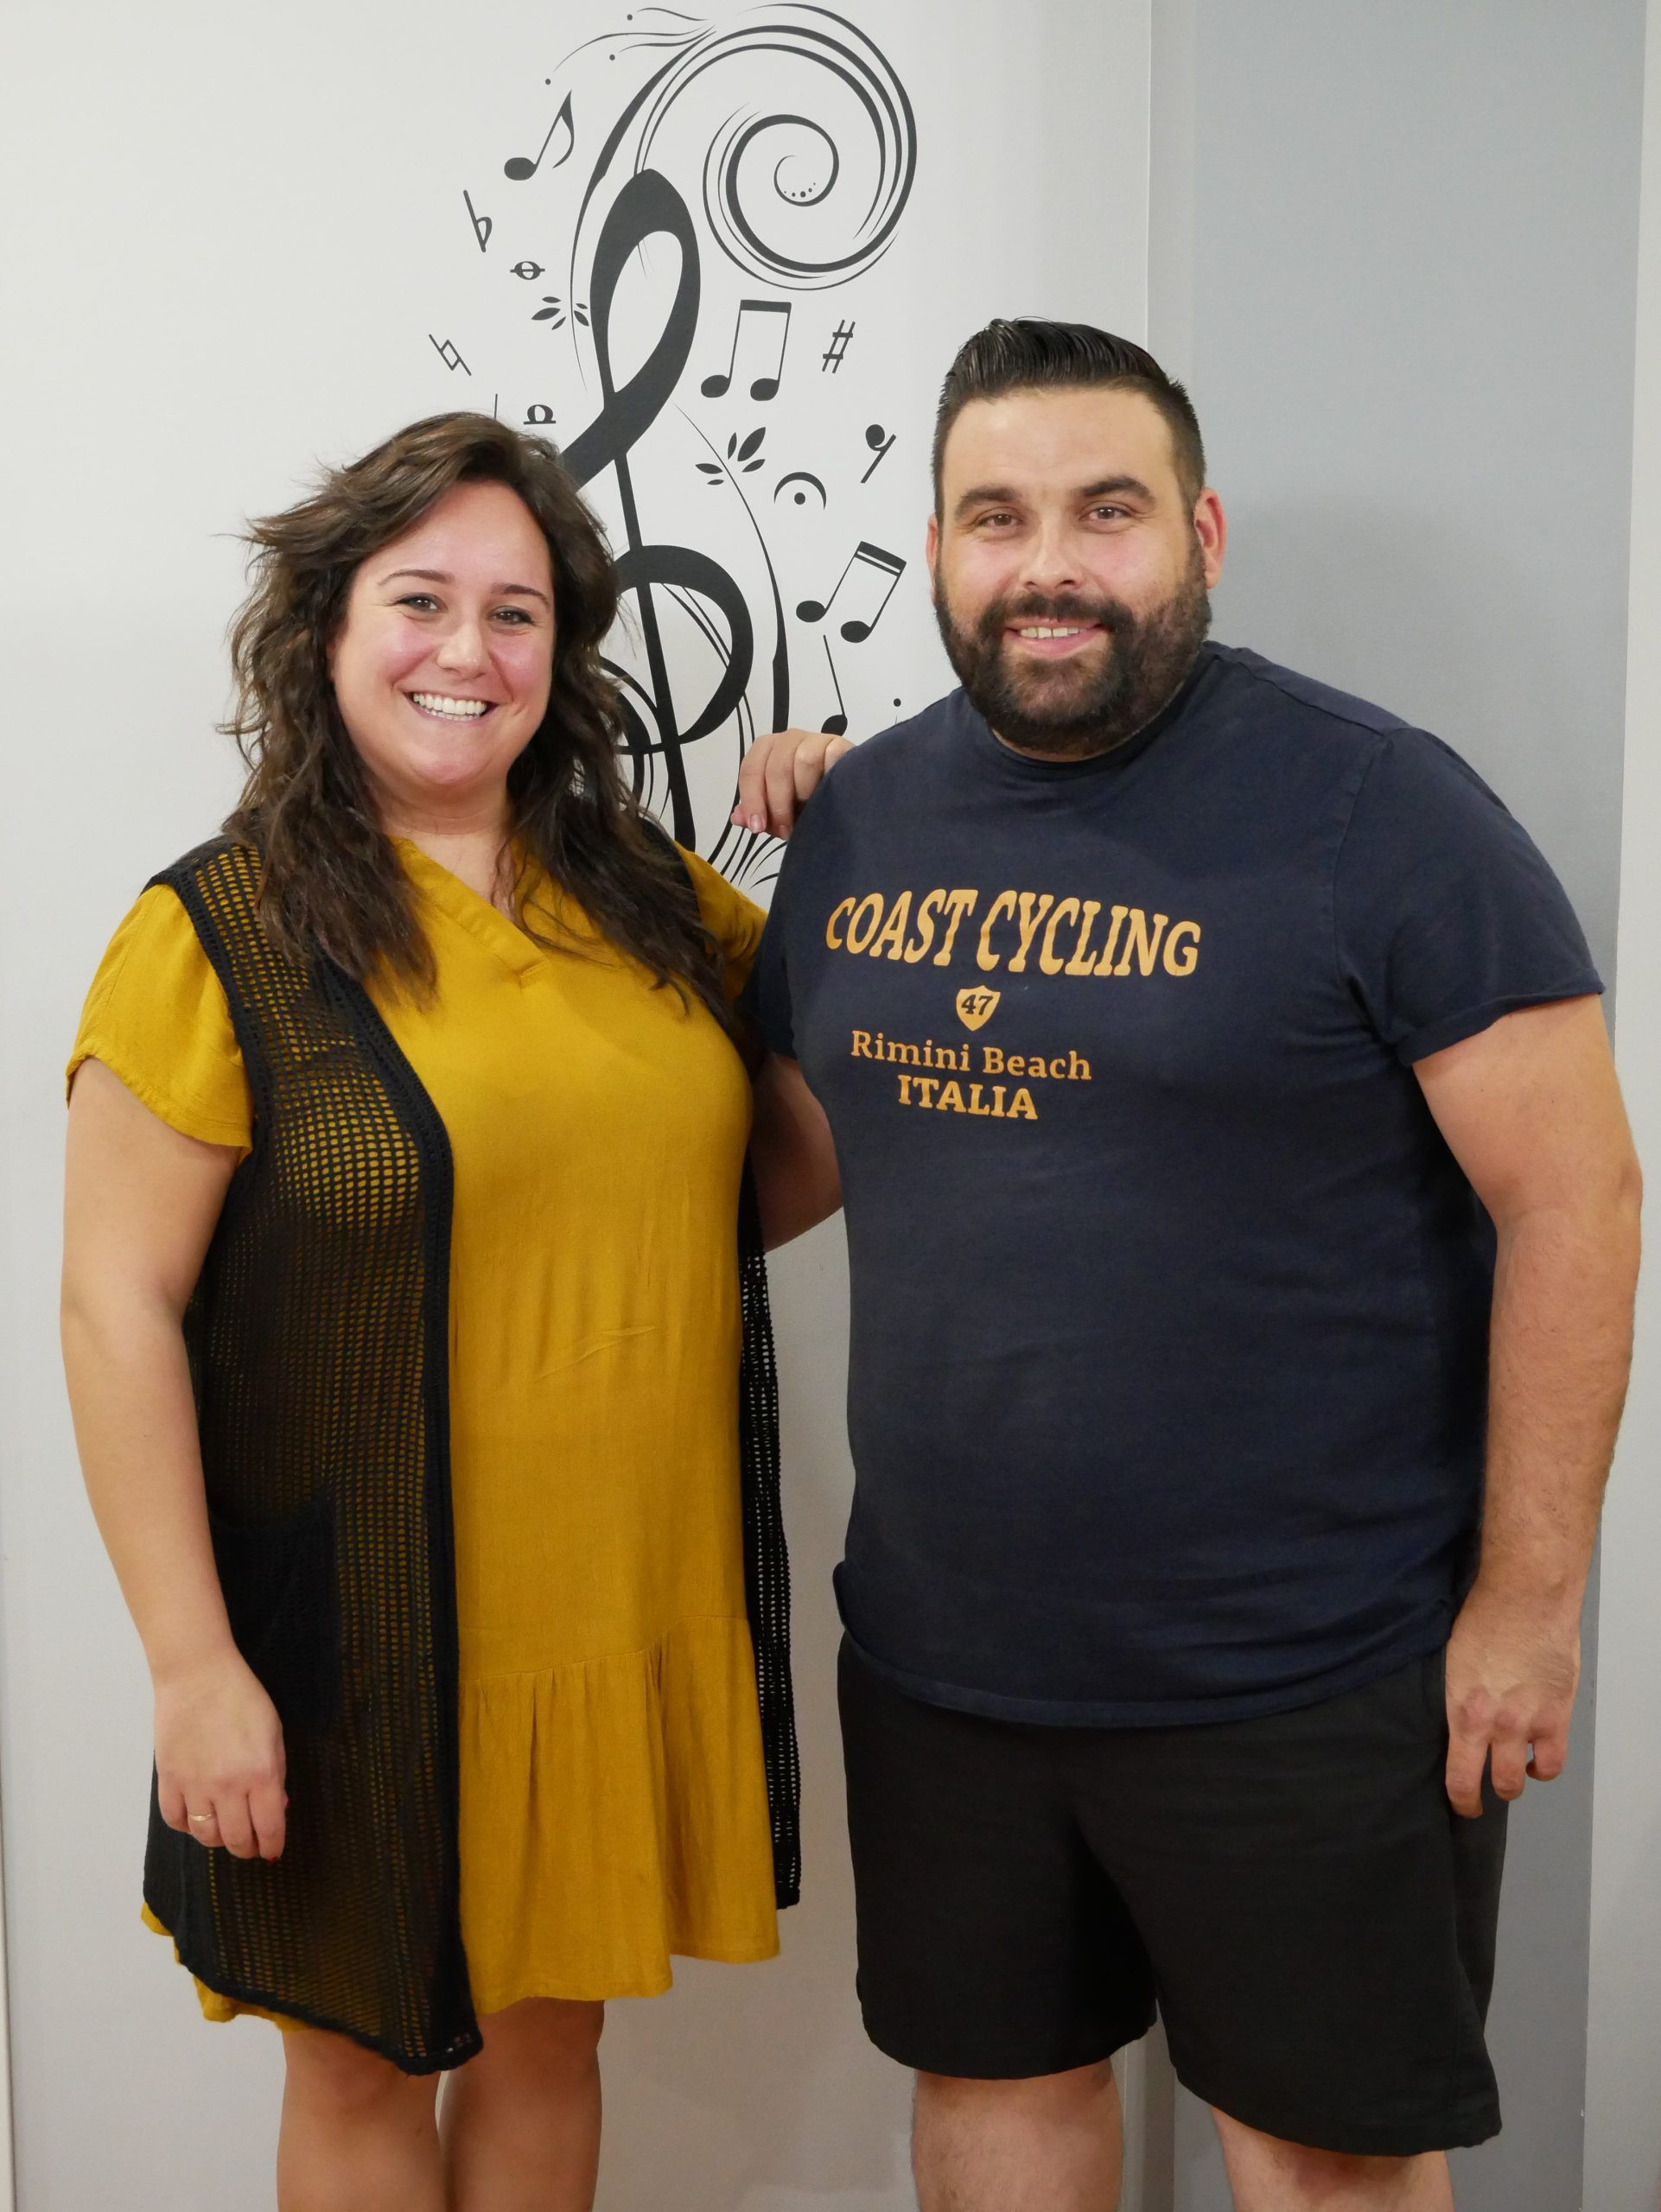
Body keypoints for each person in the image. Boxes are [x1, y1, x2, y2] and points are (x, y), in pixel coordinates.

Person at [738, 321, 1640, 2212]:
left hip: (1298, 1670)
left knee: (1321, 2157)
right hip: (943, 1658)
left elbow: (1577, 1198)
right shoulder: (863, 819)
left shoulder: (1376, 807)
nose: (1048, 558)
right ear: (935, 550)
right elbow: (796, 1158)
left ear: (1200, 532)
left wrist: (1530, 1601)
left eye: (1105, 508)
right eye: (997, 513)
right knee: (996, 2093)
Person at [60, 411, 821, 2212]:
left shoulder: (642, 898)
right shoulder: (220, 928)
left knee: (553, 2040)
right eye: (419, 601)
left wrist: (864, 822)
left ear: (560, 660)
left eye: (516, 613)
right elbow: (114, 1304)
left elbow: (791, 1145)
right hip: (363, 1631)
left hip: (614, 1606)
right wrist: (190, 1667)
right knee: (359, 2058)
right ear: (325, 632)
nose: (465, 653)